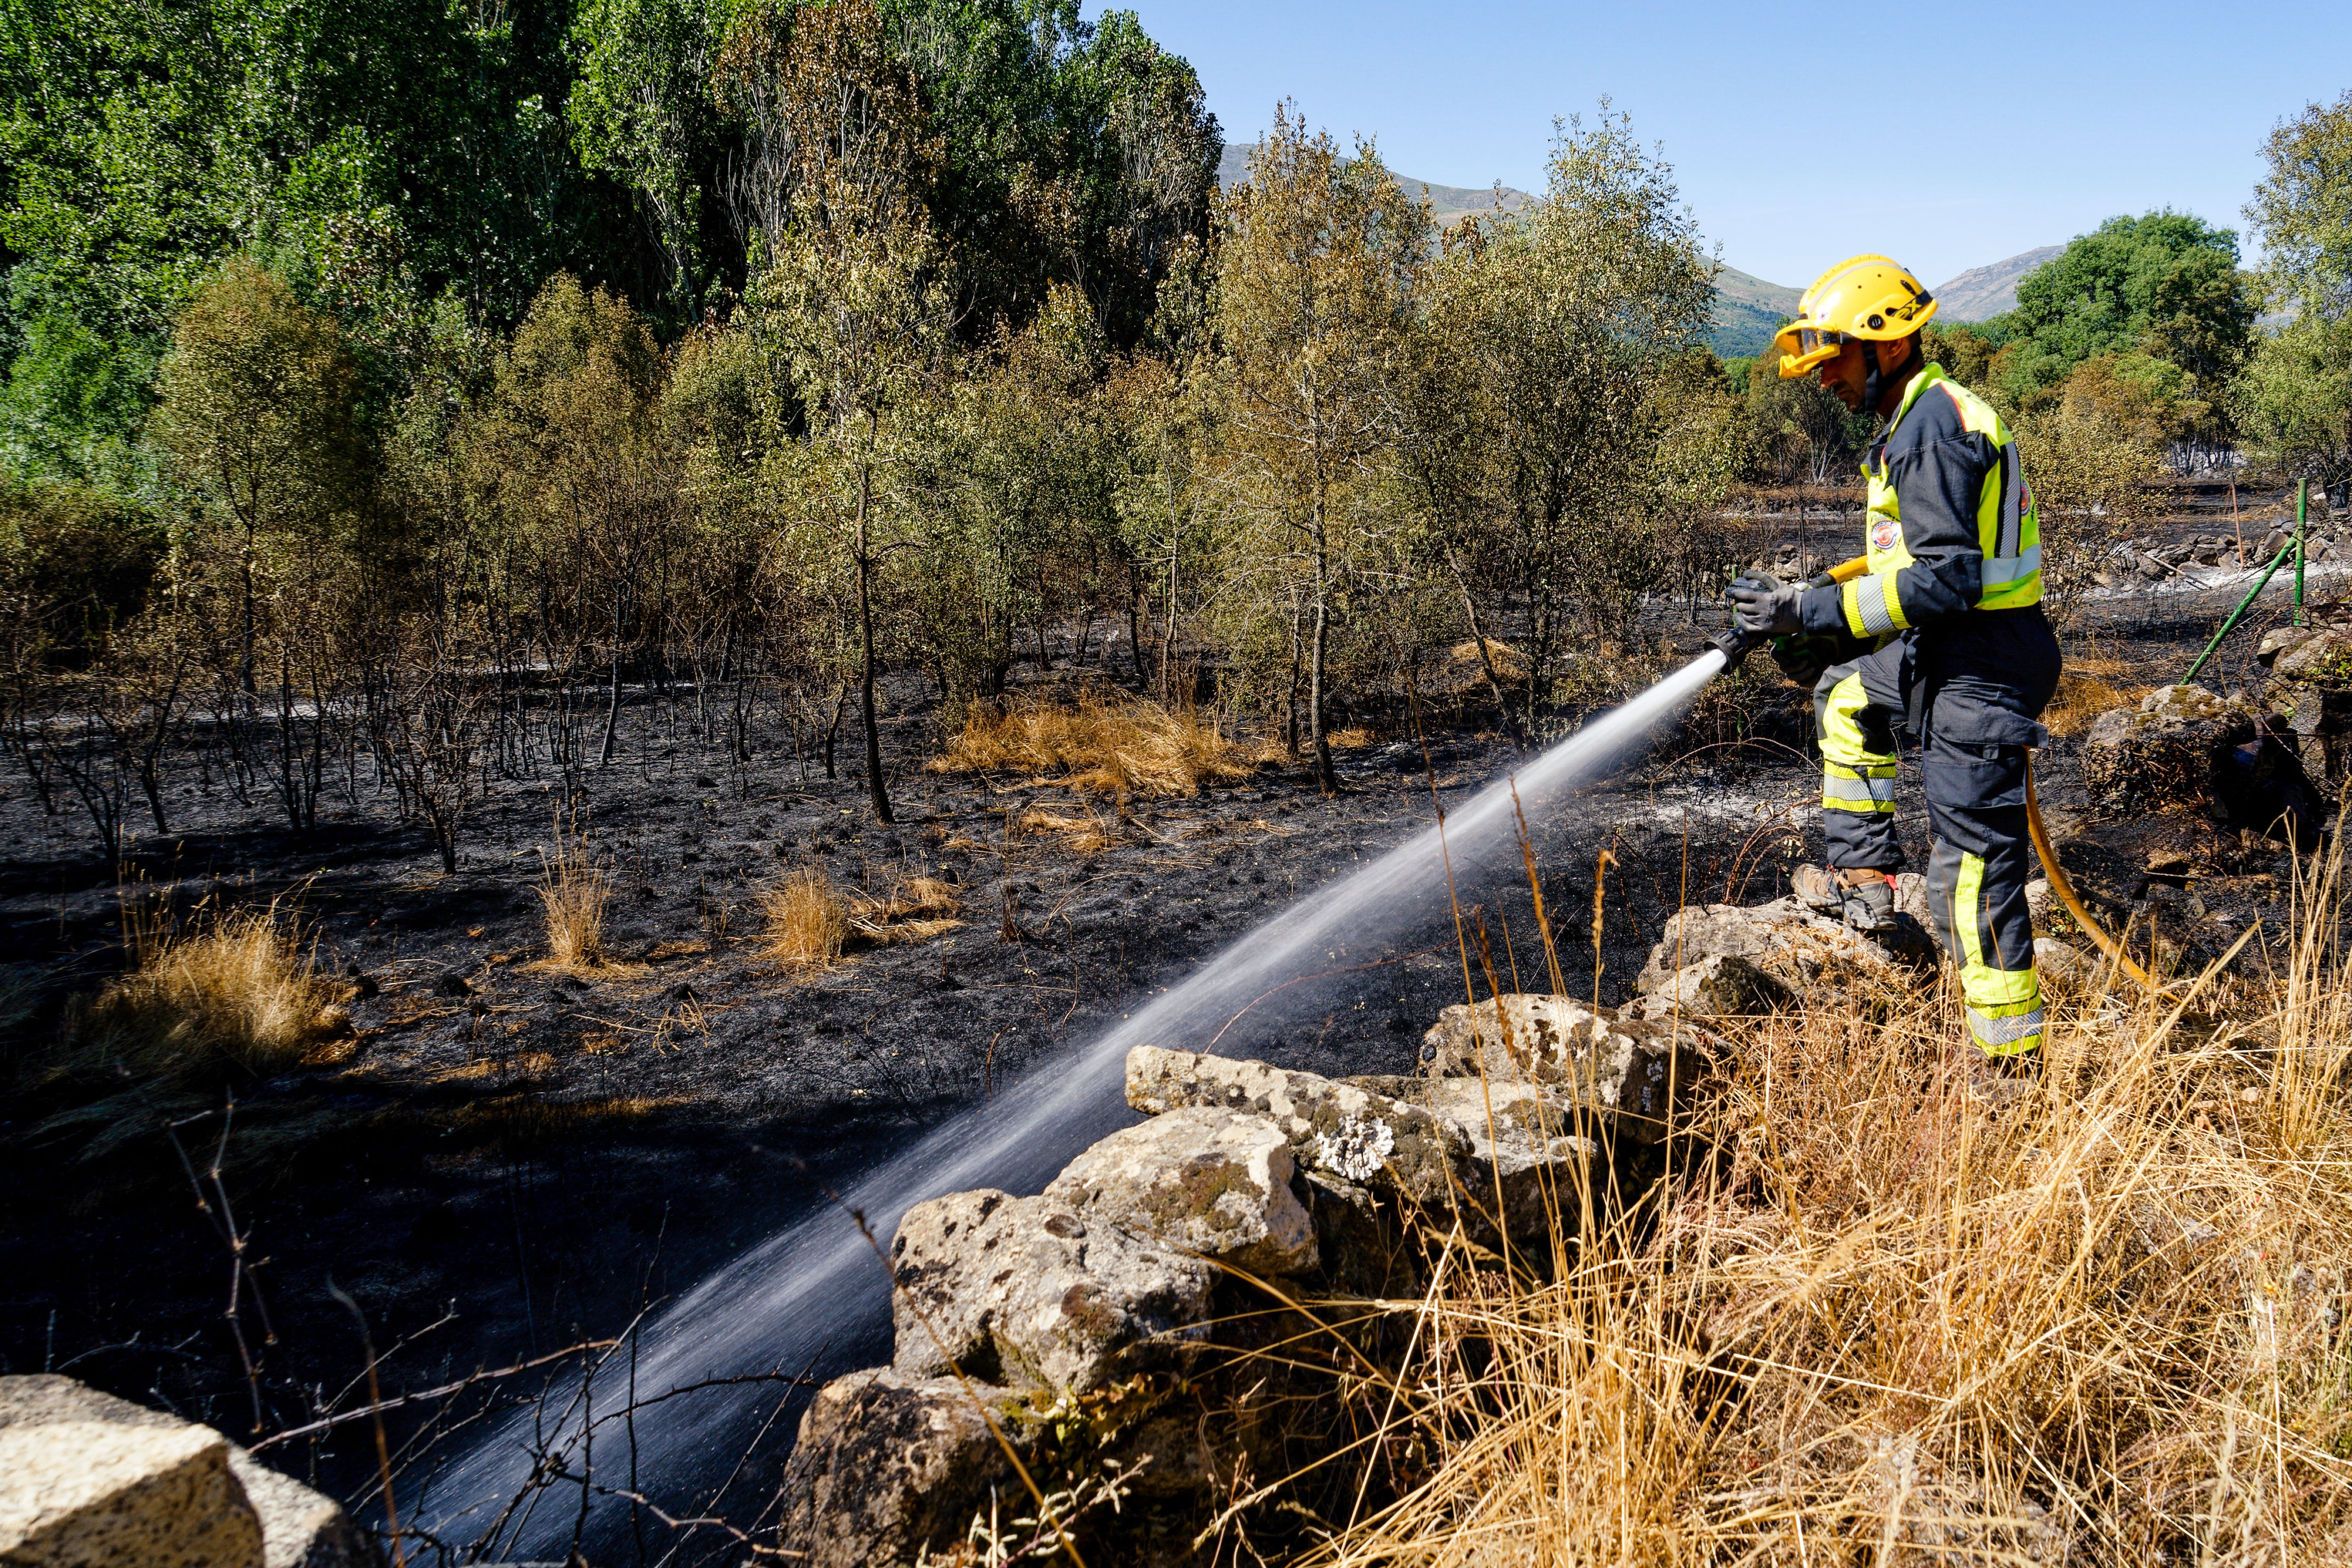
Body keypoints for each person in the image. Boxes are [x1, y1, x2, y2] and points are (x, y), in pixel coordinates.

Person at [1725, 255, 2060, 1099]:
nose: (1826, 379)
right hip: (1948, 647)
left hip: (1982, 665)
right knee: (1846, 700)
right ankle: (1866, 882)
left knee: (1973, 869)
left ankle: (2011, 1068)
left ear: (1884, 344)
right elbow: (1908, 562)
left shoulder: (1934, 429)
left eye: (1834, 358)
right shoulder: (1919, 418)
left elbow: (1945, 581)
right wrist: (1820, 614)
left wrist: (1813, 616)